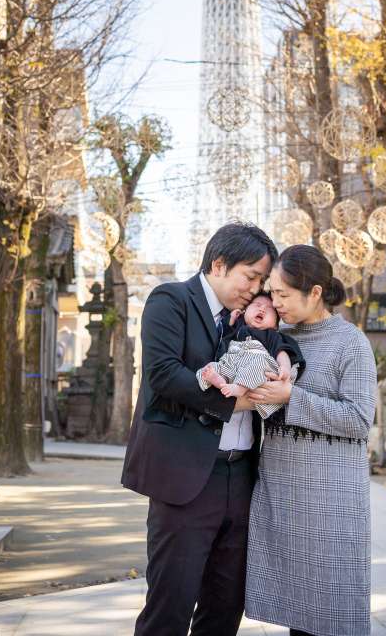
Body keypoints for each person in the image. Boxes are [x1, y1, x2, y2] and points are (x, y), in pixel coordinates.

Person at [121, 222, 277, 636]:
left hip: (241, 476)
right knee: (170, 607)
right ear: (219, 264)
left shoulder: (253, 320)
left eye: (262, 279)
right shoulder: (171, 300)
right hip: (186, 479)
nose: (256, 287)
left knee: (225, 607)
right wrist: (234, 402)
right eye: (251, 276)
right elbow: (164, 374)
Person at [244, 244, 377, 636]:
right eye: (272, 292)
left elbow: (358, 419)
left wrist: (292, 398)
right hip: (283, 495)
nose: (275, 301)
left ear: (315, 292)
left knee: (332, 615)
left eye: (283, 293)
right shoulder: (276, 336)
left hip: (331, 501)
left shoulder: (350, 343)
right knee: (296, 615)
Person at [196, 293, 305, 418]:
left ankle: (239, 388)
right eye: (257, 305)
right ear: (244, 312)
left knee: (258, 362)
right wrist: (230, 321)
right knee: (212, 366)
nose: (262, 309)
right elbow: (222, 339)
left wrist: (285, 367)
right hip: (235, 364)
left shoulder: (271, 335)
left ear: (275, 325)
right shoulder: (239, 329)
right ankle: (217, 381)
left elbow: (281, 352)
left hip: (257, 366)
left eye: (269, 309)